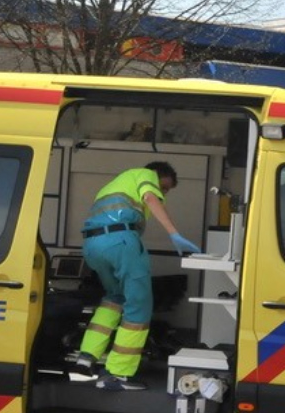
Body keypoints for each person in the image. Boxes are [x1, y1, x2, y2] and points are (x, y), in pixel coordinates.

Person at [68, 161, 201, 391]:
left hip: (93, 245)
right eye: (164, 187)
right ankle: (117, 374)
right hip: (121, 242)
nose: (163, 194)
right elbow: (150, 197)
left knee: (115, 298)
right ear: (156, 174)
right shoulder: (145, 174)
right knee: (138, 306)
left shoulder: (114, 185)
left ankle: (86, 358)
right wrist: (174, 234)